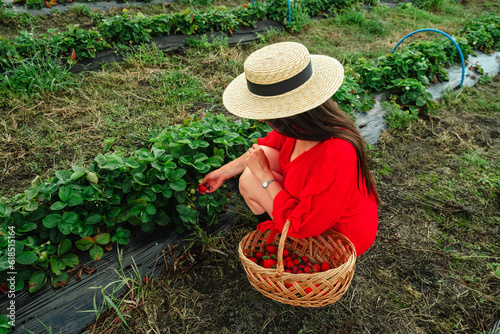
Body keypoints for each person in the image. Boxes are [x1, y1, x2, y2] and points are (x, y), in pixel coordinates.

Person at [201, 42, 379, 256]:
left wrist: (266, 176)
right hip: (312, 213)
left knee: (252, 178)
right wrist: (224, 172)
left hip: (334, 237)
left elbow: (305, 226)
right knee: (255, 166)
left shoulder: (337, 152)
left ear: (292, 111)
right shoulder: (299, 126)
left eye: (266, 109)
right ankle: (281, 237)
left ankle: (292, 245)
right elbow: (266, 146)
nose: (260, 117)